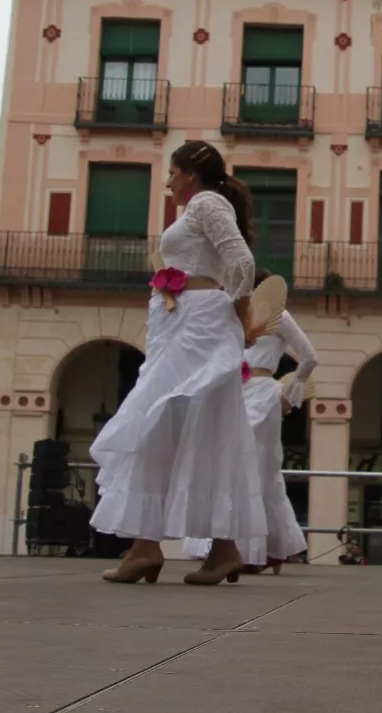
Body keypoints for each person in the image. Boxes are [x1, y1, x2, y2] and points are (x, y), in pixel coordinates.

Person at [91, 140, 265, 587]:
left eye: (171, 171)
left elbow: (242, 261)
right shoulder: (196, 210)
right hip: (183, 321)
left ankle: (152, 548)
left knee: (170, 417)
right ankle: (190, 548)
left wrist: (234, 309)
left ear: (189, 173)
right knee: (184, 421)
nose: (167, 181)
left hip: (198, 322)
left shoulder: (207, 202)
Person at [183, 267, 315, 575]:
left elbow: (309, 356)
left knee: (253, 470)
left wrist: (290, 391)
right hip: (233, 392)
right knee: (247, 471)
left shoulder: (280, 318)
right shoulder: (234, 317)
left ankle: (249, 549)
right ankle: (267, 548)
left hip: (263, 395)